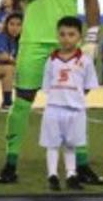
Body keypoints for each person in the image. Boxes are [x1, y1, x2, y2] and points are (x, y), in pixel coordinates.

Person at [0, 0, 103, 185]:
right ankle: (10, 164)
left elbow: (91, 0)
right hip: (33, 40)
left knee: (75, 104)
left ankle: (81, 166)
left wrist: (91, 39)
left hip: (69, 45)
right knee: (22, 102)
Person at [39, 17, 99, 192]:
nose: (66, 38)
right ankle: (52, 175)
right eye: (62, 34)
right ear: (57, 36)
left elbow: (87, 86)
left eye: (71, 34)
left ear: (79, 36)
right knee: (52, 144)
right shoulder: (51, 60)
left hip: (76, 110)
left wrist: (75, 97)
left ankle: (71, 174)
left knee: (71, 143)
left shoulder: (85, 60)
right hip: (54, 108)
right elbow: (47, 85)